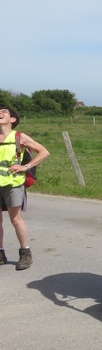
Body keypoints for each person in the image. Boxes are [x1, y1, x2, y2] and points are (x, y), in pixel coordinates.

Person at [0, 107, 50, 270]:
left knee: (15, 219)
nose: (0, 113)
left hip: (14, 183)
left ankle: (25, 252)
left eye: (4, 112)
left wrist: (26, 166)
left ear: (12, 119)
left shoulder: (19, 137)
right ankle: (1, 253)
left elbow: (44, 152)